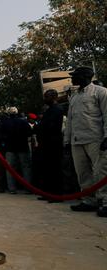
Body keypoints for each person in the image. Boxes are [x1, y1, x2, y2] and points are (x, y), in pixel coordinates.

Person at [64, 67, 107, 217]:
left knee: (101, 172)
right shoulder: (74, 96)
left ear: (86, 77)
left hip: (96, 139)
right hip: (77, 140)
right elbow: (70, 120)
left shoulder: (101, 92)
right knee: (82, 172)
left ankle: (105, 201)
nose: (72, 79)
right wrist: (67, 140)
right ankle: (89, 201)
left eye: (75, 76)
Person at [37, 90, 64, 202]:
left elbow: (52, 127)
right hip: (46, 144)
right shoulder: (49, 110)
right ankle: (48, 193)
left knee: (55, 170)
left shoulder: (57, 110)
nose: (45, 99)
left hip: (53, 144)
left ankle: (56, 194)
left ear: (53, 97)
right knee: (47, 170)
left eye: (46, 97)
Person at [1, 107, 33, 194]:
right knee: (26, 167)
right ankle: (28, 188)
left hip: (10, 147)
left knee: (10, 169)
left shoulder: (5, 123)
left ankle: (12, 188)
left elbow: (2, 134)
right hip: (22, 147)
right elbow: (29, 132)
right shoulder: (23, 122)